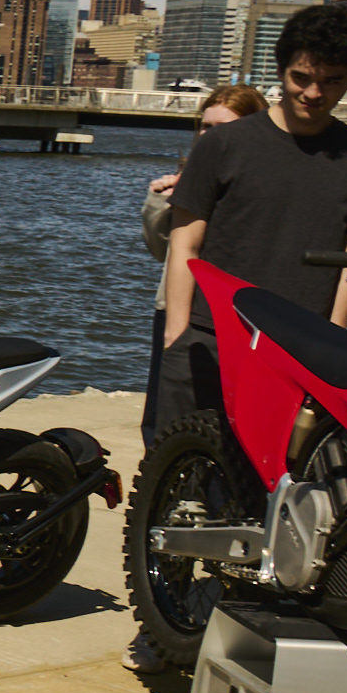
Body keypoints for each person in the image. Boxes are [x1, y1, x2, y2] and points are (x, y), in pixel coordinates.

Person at [154, 1, 347, 439]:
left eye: (331, 81)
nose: (314, 93)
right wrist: (176, 336)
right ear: (282, 71)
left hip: (300, 349)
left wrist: (334, 346)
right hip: (210, 336)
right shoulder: (224, 143)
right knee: (179, 483)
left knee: (277, 488)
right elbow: (185, 244)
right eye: (302, 77)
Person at [141, 85, 268, 434]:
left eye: (223, 127)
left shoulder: (260, 182)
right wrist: (158, 204)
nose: (210, 135)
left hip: (228, 313)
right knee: (161, 417)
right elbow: (161, 252)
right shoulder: (189, 175)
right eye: (205, 126)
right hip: (173, 308)